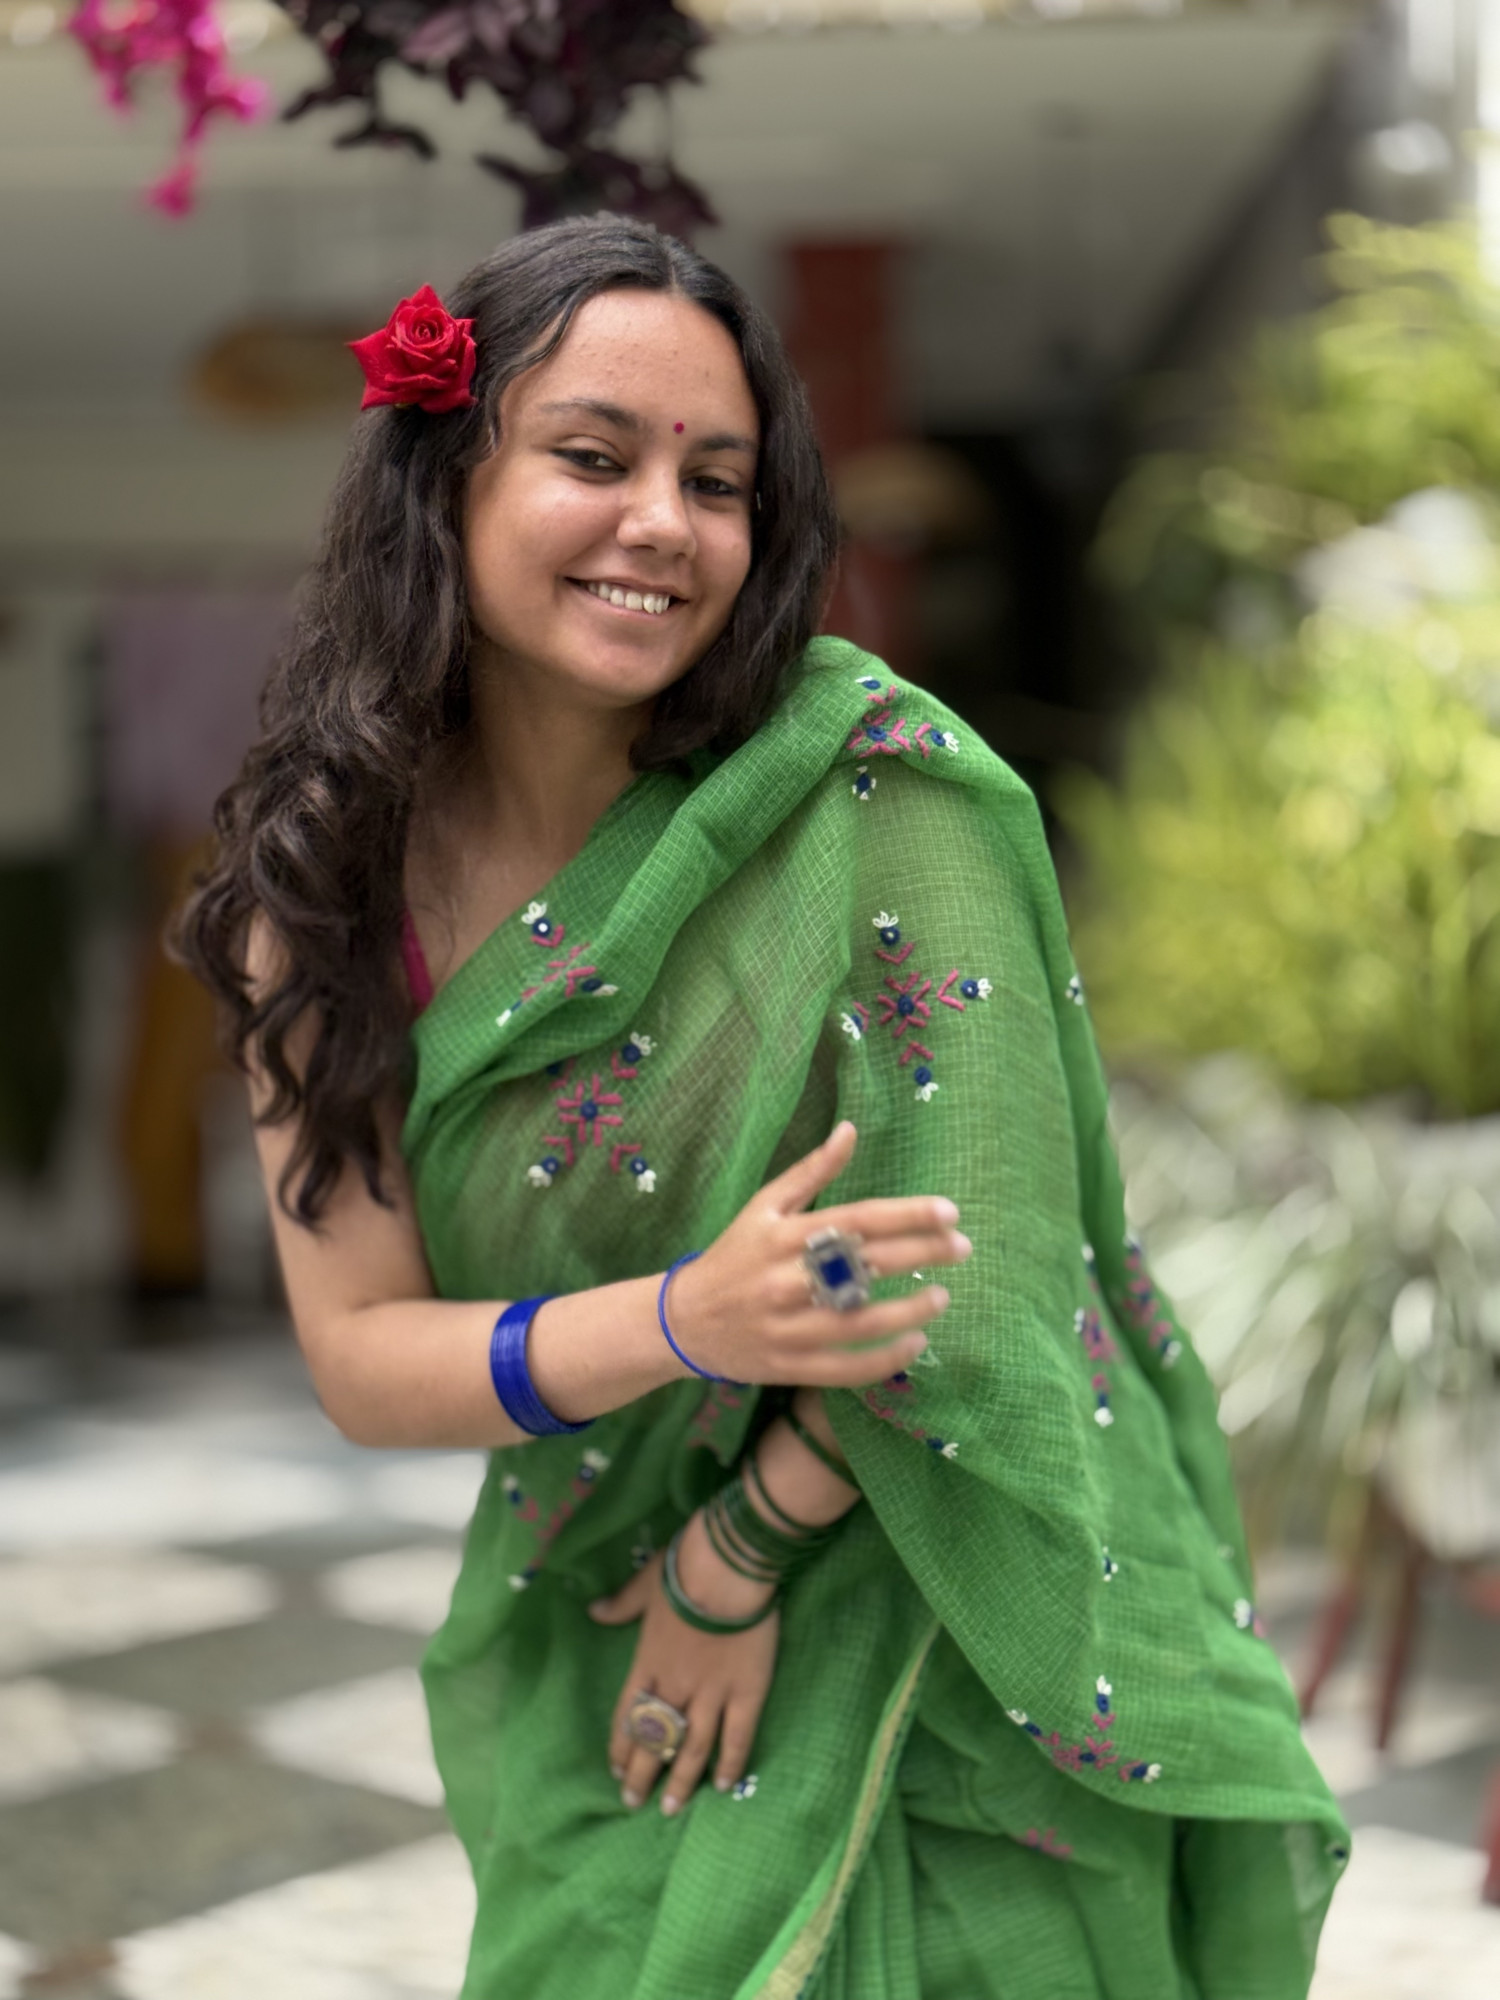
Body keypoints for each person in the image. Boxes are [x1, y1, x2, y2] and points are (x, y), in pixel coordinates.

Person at [178, 215, 1347, 1999]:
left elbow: (975, 1266)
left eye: (715, 481)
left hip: (941, 1585)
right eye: (594, 456)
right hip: (595, 1591)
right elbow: (362, 1353)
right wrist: (683, 1324)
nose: (663, 522)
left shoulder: (877, 795)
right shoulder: (324, 898)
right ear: (446, 477)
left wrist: (736, 1556)